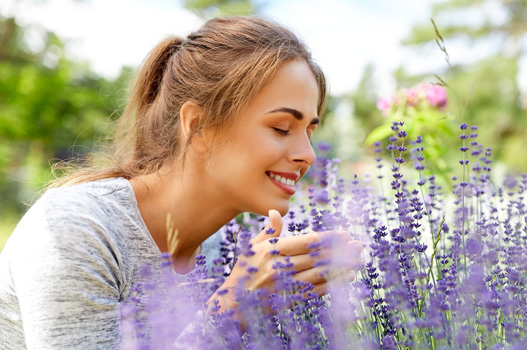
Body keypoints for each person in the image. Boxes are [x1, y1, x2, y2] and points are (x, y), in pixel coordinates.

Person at [0, 15, 362, 349]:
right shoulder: (77, 232)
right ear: (198, 127)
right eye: (281, 128)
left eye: (310, 131)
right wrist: (232, 309)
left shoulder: (226, 248)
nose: (309, 155)